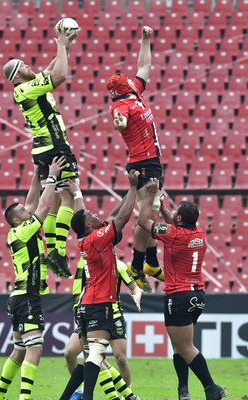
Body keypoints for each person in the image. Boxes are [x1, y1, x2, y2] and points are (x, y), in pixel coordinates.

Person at [137, 178, 226, 400]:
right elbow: (174, 225)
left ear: (179, 219)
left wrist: (150, 197)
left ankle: (212, 388)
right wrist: (165, 206)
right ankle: (183, 390)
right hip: (197, 295)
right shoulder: (199, 234)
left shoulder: (174, 235)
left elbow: (143, 221)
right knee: (180, 346)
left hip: (179, 295)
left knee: (185, 348)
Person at [2, 28, 79, 278]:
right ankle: (57, 250)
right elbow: (60, 75)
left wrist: (64, 45)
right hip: (55, 147)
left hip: (43, 150)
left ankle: (56, 251)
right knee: (68, 195)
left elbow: (50, 69)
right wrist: (61, 48)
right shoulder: (24, 89)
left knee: (55, 200)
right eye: (22, 65)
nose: (28, 65)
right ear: (17, 76)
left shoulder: (28, 86)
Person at [0, 156, 66, 400]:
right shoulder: (23, 231)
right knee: (35, 348)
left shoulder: (19, 229)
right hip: (26, 297)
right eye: (23, 211)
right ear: (16, 220)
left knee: (19, 350)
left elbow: (33, 201)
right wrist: (52, 176)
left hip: (19, 297)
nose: (28, 209)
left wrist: (36, 172)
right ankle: (25, 398)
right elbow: (43, 208)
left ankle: (0, 396)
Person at [64, 169, 140, 400]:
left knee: (91, 357)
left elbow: (111, 215)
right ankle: (94, 397)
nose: (98, 216)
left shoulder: (87, 238)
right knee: (96, 354)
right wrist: (134, 187)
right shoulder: (97, 239)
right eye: (92, 215)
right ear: (88, 224)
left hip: (86, 304)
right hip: (100, 303)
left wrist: (78, 194)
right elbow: (123, 218)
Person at [106, 26, 165, 293]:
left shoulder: (134, 93)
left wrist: (145, 40)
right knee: (147, 217)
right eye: (128, 79)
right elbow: (120, 120)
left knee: (149, 213)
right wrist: (119, 123)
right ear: (124, 87)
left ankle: (149, 263)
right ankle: (138, 265)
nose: (133, 78)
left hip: (151, 161)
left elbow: (145, 65)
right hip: (144, 163)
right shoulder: (122, 105)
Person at [65, 256, 142, 400]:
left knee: (120, 359)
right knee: (75, 354)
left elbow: (134, 287)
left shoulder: (119, 266)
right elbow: (77, 286)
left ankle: (126, 394)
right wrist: (77, 308)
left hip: (113, 316)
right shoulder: (86, 262)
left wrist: (137, 294)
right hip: (90, 313)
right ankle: (122, 395)